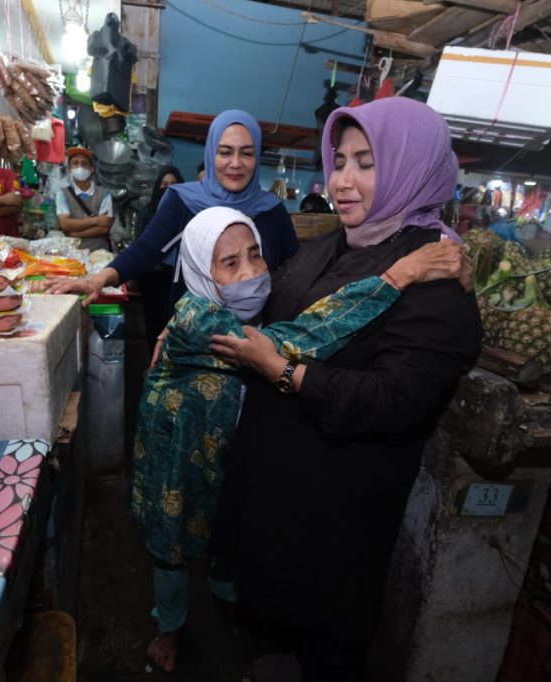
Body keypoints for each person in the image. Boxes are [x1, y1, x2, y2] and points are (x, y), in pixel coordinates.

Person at [208, 97, 482, 681]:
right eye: (339, 161)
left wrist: (284, 373)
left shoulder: (435, 275)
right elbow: (281, 312)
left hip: (343, 485)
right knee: (292, 598)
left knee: (336, 610)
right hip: (287, 468)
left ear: (410, 166)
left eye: (366, 162)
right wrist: (194, 327)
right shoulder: (337, 242)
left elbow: (397, 399)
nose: (344, 181)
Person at [134, 206, 469, 673]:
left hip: (225, 448)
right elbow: (299, 337)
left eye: (256, 255)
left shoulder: (250, 303)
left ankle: (226, 597)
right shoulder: (198, 319)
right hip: (180, 450)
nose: (250, 272)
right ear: (197, 271)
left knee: (221, 527)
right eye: (229, 264)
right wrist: (396, 276)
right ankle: (169, 628)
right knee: (170, 539)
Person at [42, 109, 300, 325]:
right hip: (193, 335)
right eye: (225, 152)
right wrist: (98, 279)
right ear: (211, 154)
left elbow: (294, 275)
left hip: (258, 339)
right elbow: (146, 249)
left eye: (246, 153)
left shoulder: (272, 211)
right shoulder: (183, 201)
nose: (235, 163)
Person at [135, 165, 184, 353]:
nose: (168, 189)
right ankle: (152, 364)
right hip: (152, 278)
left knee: (174, 324)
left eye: (173, 184)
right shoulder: (147, 212)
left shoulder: (185, 212)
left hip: (176, 279)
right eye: (164, 184)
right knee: (153, 321)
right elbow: (140, 244)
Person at [55, 146, 114, 251]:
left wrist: (74, 233)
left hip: (99, 253)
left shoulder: (104, 194)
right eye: (75, 163)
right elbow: (64, 224)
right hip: (72, 252)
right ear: (69, 169)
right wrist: (96, 220)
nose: (80, 167)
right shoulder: (62, 194)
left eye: (84, 163)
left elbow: (104, 228)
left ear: (92, 169)